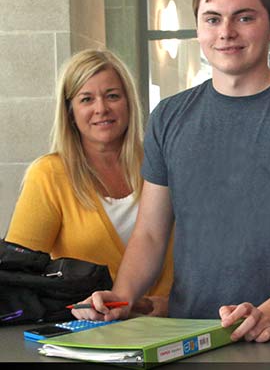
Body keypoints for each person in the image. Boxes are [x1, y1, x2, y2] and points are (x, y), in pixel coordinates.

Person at [74, 0, 270, 347]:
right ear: (199, 29)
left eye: (244, 18)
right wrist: (121, 299)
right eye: (212, 19)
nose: (226, 32)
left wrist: (268, 317)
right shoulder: (168, 116)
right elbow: (151, 234)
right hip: (186, 337)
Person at [5, 49, 173, 315]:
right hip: (89, 332)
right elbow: (17, 277)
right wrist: (76, 306)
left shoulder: (163, 162)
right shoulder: (49, 175)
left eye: (112, 96)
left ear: (129, 102)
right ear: (70, 111)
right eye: (86, 99)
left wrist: (173, 304)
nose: (101, 108)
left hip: (174, 328)